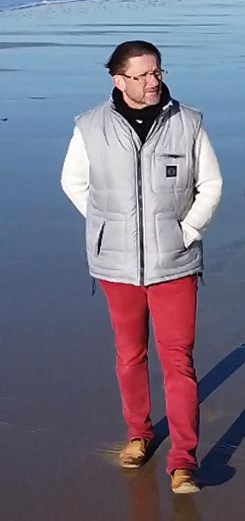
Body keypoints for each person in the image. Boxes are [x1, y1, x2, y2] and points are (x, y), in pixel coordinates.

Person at [60, 40, 223, 494]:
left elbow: (211, 184)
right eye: (143, 75)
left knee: (179, 361)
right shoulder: (90, 126)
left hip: (176, 263)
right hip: (116, 266)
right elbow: (73, 182)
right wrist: (106, 228)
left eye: (157, 72)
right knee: (130, 355)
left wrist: (187, 231)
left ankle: (184, 460)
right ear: (119, 80)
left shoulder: (187, 121)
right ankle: (139, 434)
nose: (154, 81)